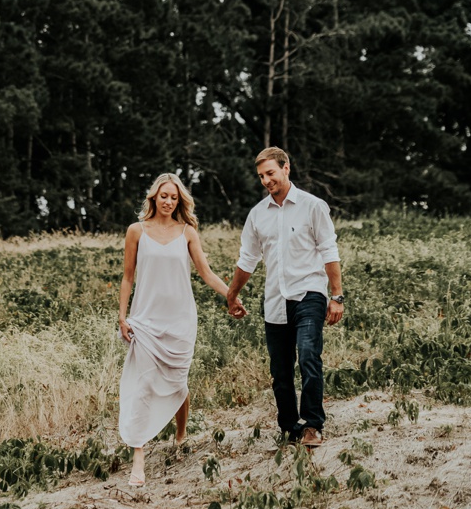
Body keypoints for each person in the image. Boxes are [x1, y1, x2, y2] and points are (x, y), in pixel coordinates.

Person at [116, 173, 233, 486]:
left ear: (180, 202)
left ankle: (180, 438)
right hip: (145, 319)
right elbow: (128, 277)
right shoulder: (136, 231)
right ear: (154, 197)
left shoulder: (187, 232)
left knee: (179, 383)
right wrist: (123, 316)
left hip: (181, 319)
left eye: (174, 198)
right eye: (164, 196)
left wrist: (231, 296)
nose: (168, 202)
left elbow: (206, 274)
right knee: (142, 385)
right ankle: (138, 457)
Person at [224, 147, 344, 449]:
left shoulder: (313, 206)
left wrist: (337, 296)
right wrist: (232, 295)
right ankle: (290, 428)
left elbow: (329, 250)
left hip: (309, 294)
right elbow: (247, 259)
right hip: (275, 300)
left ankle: (313, 425)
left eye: (271, 173)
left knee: (307, 356)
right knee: (279, 371)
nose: (266, 180)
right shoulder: (257, 215)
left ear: (286, 168)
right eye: (261, 176)